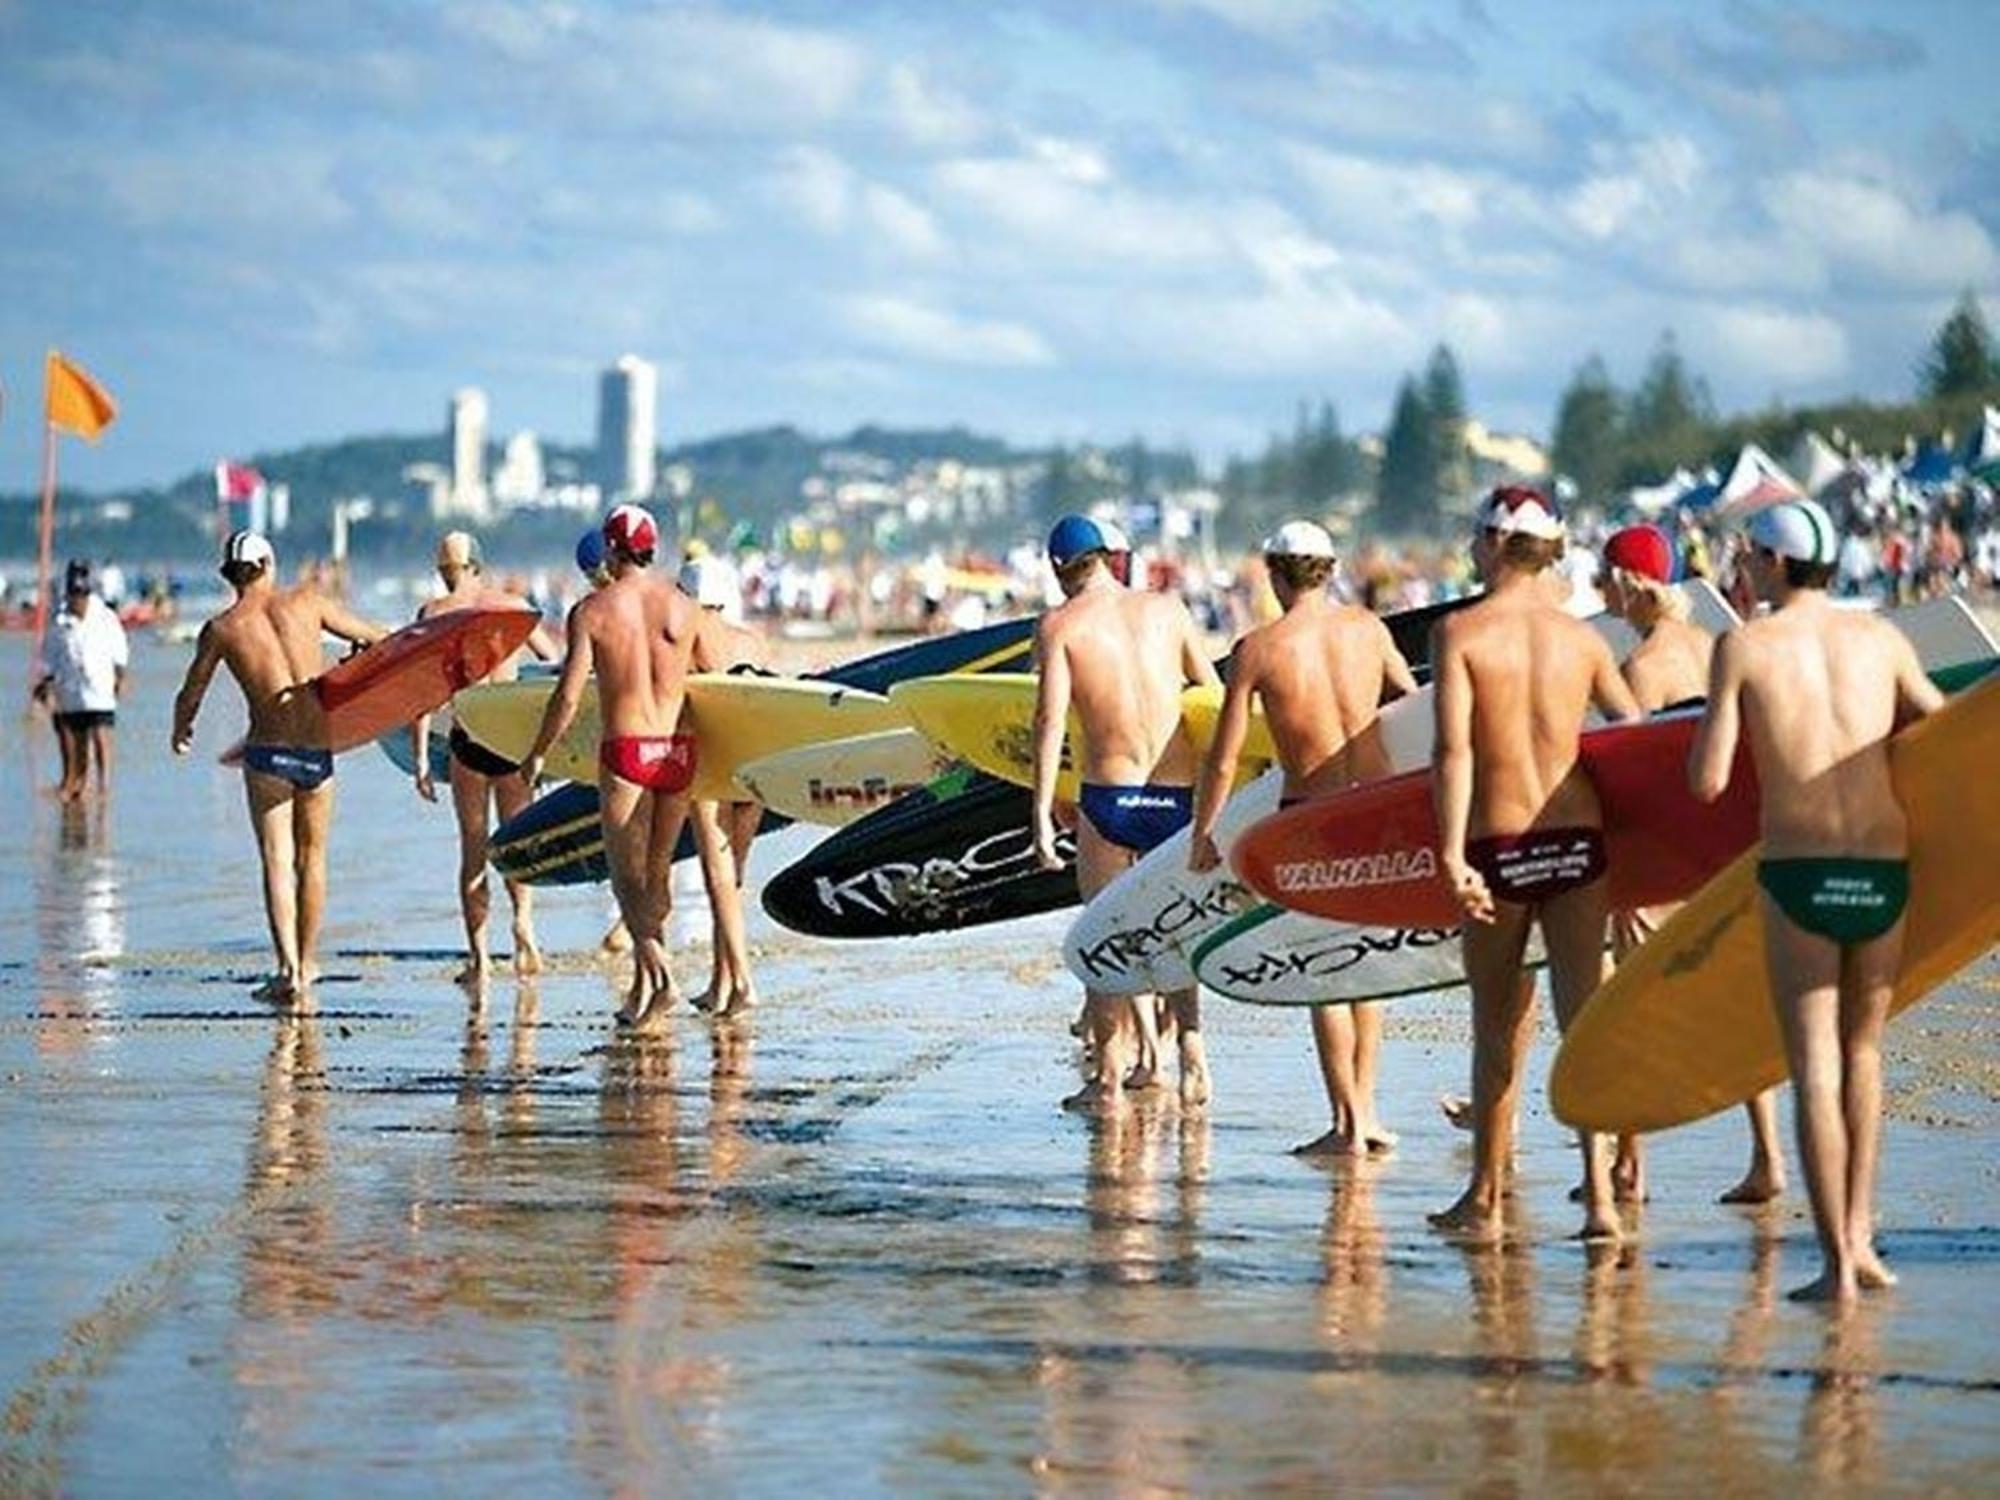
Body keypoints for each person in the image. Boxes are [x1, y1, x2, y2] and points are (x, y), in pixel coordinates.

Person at [1689, 499, 1941, 1304]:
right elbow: (1946, 726)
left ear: (1769, 562)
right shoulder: (1882, 639)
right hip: (1883, 871)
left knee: (1813, 1065)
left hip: (1800, 875)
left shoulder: (1744, 645)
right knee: (1864, 1054)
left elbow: (1707, 780)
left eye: (1748, 559)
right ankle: (1864, 1241)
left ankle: (1834, 1264)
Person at [1430, 487, 1641, 1243]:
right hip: (1576, 843)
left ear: (1490, 544)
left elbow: (1452, 751)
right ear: (1549, 550)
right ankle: (1602, 1198)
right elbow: (1635, 732)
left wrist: (1452, 854)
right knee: (1584, 1022)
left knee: (1496, 1027)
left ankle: (1484, 1199)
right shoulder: (1580, 640)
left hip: (1498, 845)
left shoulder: (1460, 634)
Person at [1188, 520, 1418, 1156]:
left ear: (1274, 572)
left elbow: (1224, 758)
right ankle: (1367, 1111)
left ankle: (1344, 1123)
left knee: (1322, 963)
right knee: (1365, 962)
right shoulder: (1369, 631)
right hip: (1379, 812)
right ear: (1330, 567)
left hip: (1310, 819)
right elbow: (1414, 701)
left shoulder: (1258, 649)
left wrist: (1205, 832)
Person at [1600, 524, 1787, 1206]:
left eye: (1605, 577)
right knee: (1736, 1001)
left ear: (1628, 582)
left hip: (1659, 861)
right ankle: (1767, 1158)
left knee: (1632, 1008)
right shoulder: (1713, 649)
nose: (1602, 591)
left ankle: (1629, 1166)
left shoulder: (1639, 670)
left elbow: (1631, 780)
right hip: (1726, 852)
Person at [1032, 514, 1221, 1110]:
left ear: (1060, 570)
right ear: (1108, 559)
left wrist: (1040, 812)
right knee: (1177, 927)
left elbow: (1050, 723)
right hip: (1174, 796)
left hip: (1110, 798)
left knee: (1105, 936)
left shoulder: (1060, 625)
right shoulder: (1167, 610)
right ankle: (1189, 1049)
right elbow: (1211, 695)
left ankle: (1110, 1078)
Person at [171, 531, 387, 1005]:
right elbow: (378, 640)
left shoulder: (222, 628)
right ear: (268, 562)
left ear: (230, 575)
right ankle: (308, 967)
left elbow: (192, 691)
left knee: (276, 861)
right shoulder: (308, 602)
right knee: (314, 860)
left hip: (268, 753)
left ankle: (286, 969)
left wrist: (181, 730)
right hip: (316, 750)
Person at [520, 506, 699, 1028]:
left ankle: (661, 973)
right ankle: (644, 994)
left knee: (626, 881)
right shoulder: (683, 607)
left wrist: (537, 753)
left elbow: (569, 696)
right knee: (657, 876)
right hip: (676, 753)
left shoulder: (592, 611)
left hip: (627, 753)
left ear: (612, 549)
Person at [410, 532, 560, 989]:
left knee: (473, 847)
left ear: (442, 571)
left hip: (468, 739)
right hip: (512, 742)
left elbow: (422, 690)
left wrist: (419, 758)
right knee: (515, 843)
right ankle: (525, 928)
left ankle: (479, 958)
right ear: (479, 564)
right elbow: (554, 664)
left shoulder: (433, 615)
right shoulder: (513, 606)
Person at [682, 554, 768, 1016]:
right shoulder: (753, 640)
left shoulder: (688, 635)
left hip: (712, 766)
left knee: (717, 879)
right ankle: (721, 983)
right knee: (732, 878)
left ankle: (745, 981)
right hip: (756, 768)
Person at [34, 559, 129, 802]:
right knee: (72, 738)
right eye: (74, 594)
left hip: (99, 686)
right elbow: (50, 653)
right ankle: (75, 781)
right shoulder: (60, 621)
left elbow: (119, 648)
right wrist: (45, 682)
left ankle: (104, 784)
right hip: (70, 687)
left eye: (82, 593)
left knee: (101, 736)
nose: (79, 599)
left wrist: (120, 676)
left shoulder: (105, 616)